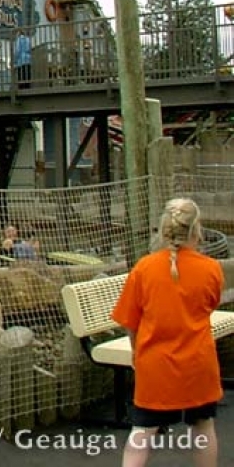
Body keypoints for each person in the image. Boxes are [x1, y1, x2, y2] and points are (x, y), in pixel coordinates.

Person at [112, 198, 222, 467]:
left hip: (156, 364)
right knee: (203, 427)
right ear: (197, 231)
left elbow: (130, 321)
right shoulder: (211, 269)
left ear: (163, 231)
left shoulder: (144, 269)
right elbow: (210, 305)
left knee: (142, 432)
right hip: (198, 364)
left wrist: (137, 353)